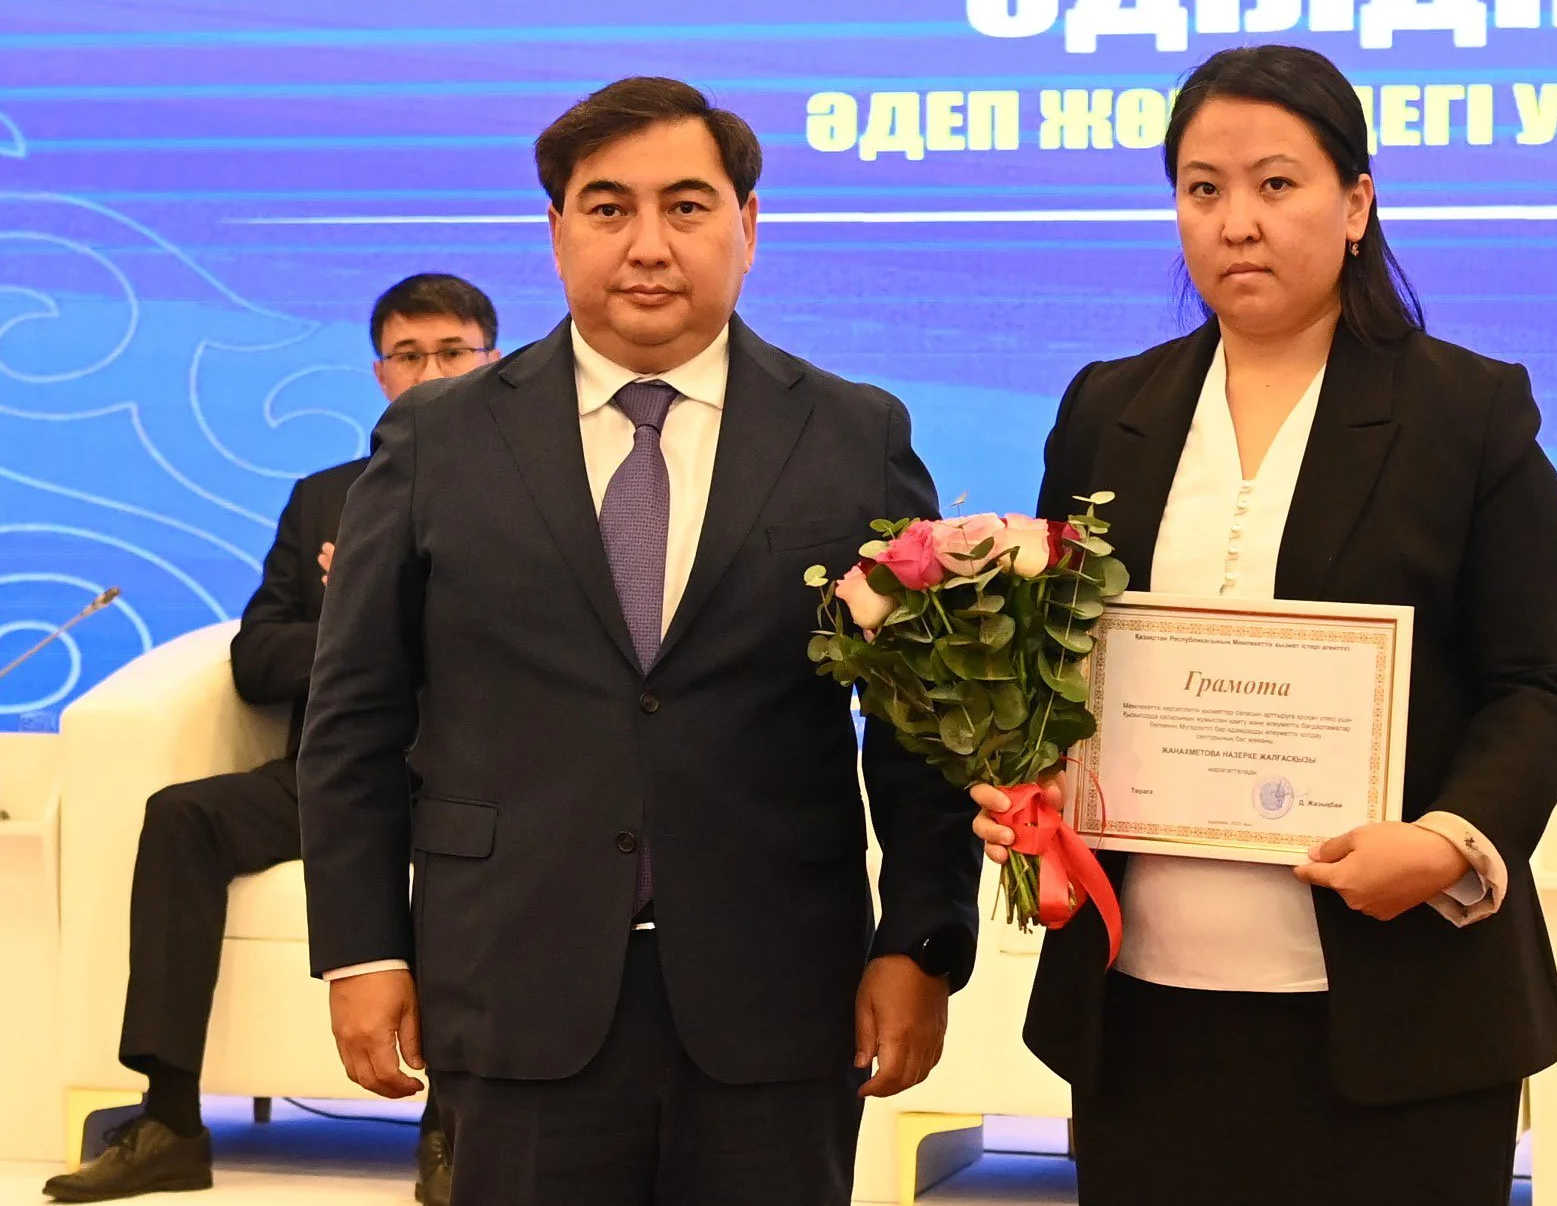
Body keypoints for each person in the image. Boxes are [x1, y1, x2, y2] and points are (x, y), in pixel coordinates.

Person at [297, 77, 983, 1206]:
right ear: (556, 230)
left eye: (687, 206)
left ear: (748, 226)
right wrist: (363, 949)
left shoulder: (853, 433)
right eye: (609, 208)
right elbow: (355, 716)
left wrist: (920, 941)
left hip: (780, 992)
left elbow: (919, 729)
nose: (649, 244)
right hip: (512, 980)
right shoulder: (436, 440)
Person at [972, 44, 1557, 1206]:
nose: (1236, 222)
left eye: (1276, 184)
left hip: (1396, 1016)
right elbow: (1058, 665)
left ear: (1355, 204)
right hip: (1145, 1008)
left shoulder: (1465, 411)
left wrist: (1450, 839)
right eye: (1202, 188)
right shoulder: (1108, 406)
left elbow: (1542, 682)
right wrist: (1031, 782)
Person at [44, 274, 501, 1205]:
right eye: (409, 355)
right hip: (336, 775)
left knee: (478, 843)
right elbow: (256, 658)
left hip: (471, 775)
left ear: (492, 362)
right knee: (184, 817)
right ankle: (168, 1120)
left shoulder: (526, 494)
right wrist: (358, 615)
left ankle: (453, 1131)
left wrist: (408, 614)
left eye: (452, 353)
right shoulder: (325, 499)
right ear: (380, 374)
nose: (430, 373)